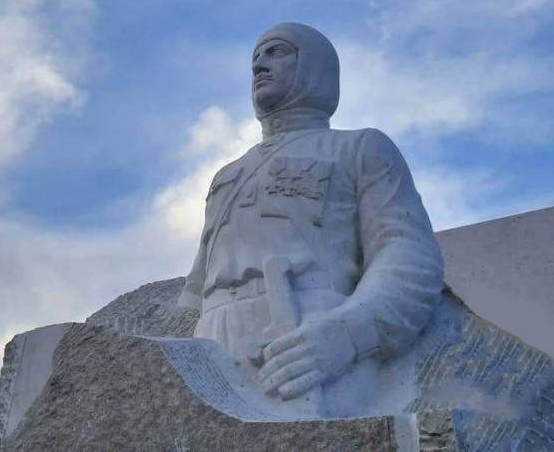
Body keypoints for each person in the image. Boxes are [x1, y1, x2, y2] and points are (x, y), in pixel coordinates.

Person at [178, 22, 444, 417]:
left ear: (315, 66)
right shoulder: (227, 175)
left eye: (277, 52)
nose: (259, 66)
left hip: (307, 333)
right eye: (255, 58)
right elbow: (195, 286)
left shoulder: (359, 147)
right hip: (212, 340)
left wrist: (351, 332)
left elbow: (407, 251)